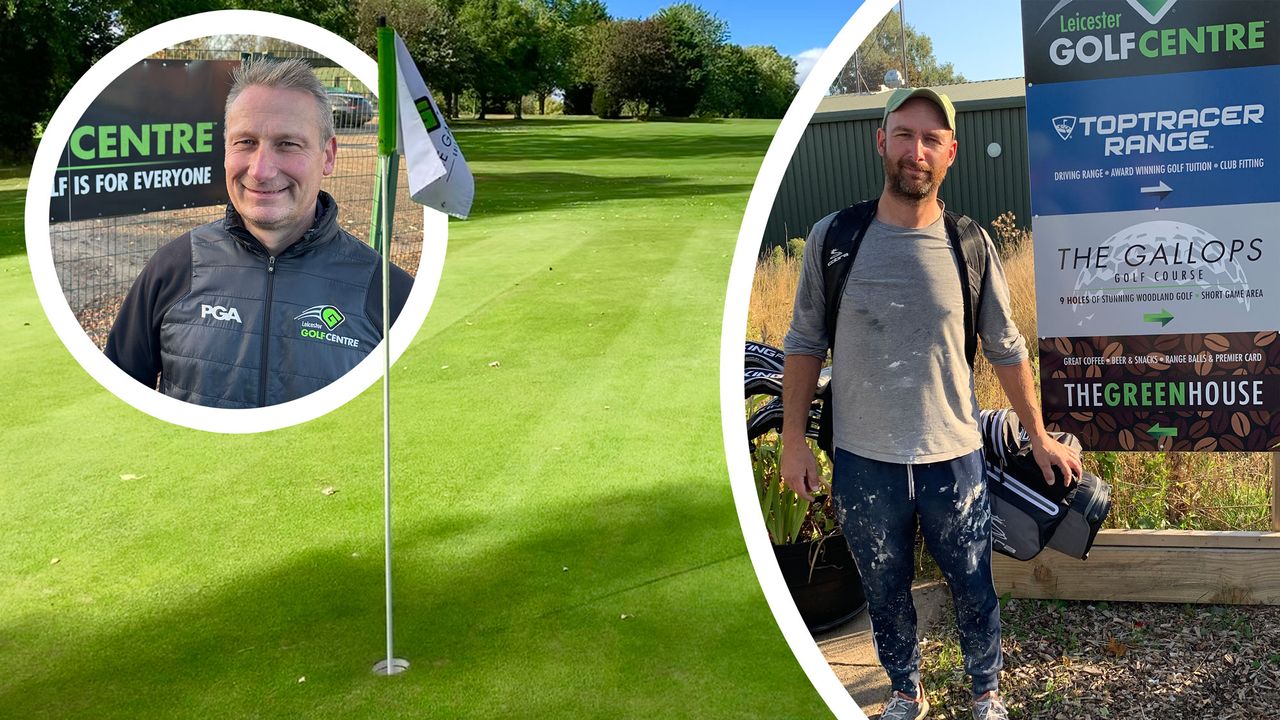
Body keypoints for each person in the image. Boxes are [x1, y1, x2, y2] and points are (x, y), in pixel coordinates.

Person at [780, 88, 1082, 720]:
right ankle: (904, 691)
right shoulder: (833, 238)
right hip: (863, 459)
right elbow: (805, 342)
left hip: (954, 455)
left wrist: (1039, 434)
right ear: (880, 141)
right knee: (883, 588)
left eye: (930, 139)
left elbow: (1005, 346)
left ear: (951, 153)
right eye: (903, 134)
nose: (915, 151)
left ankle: (985, 692)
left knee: (973, 584)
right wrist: (792, 441)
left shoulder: (970, 244)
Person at [105, 58, 412, 408]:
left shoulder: (389, 293)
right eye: (246, 142)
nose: (261, 170)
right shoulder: (173, 268)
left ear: (327, 156)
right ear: (225, 150)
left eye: (288, 144)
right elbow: (119, 408)